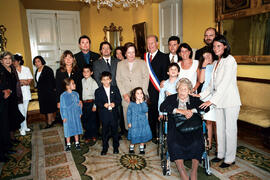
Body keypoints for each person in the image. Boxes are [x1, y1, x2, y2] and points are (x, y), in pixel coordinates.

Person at [199, 35, 241, 168]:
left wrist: (211, 101)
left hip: (230, 101)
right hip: (219, 101)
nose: (215, 48)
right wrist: (199, 95)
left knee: (230, 130)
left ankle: (229, 158)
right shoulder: (217, 62)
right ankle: (220, 154)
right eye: (214, 46)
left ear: (225, 46)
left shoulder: (230, 60)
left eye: (218, 46)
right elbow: (212, 85)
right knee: (220, 129)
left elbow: (224, 85)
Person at [160, 78, 209, 180]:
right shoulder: (171, 98)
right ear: (177, 89)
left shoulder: (194, 99)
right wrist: (179, 111)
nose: (183, 91)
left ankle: (194, 171)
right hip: (175, 127)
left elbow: (206, 108)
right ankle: (182, 170)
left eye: (185, 89)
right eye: (181, 89)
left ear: (189, 90)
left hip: (192, 127)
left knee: (197, 142)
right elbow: (162, 107)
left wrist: (192, 110)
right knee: (175, 143)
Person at [116, 42, 149, 130]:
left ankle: (142, 141)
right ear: (125, 53)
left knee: (141, 121)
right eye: (129, 52)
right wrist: (124, 94)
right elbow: (118, 80)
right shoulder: (120, 64)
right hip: (127, 97)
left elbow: (146, 78)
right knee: (130, 122)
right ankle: (132, 140)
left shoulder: (142, 63)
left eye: (133, 52)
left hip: (140, 97)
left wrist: (142, 94)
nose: (131, 54)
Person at [145, 35, 170, 143]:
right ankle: (152, 135)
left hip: (158, 90)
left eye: (152, 43)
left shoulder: (164, 57)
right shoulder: (144, 57)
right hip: (147, 91)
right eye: (148, 43)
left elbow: (166, 75)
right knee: (150, 114)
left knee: (158, 113)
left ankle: (160, 135)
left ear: (157, 43)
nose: (150, 45)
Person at [95, 71, 122, 155]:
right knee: (105, 132)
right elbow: (97, 101)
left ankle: (116, 147)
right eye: (104, 80)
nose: (106, 81)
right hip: (104, 114)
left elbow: (119, 99)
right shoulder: (98, 91)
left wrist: (115, 103)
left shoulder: (115, 89)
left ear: (110, 80)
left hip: (113, 114)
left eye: (107, 79)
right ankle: (105, 147)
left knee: (115, 131)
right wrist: (103, 104)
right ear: (101, 81)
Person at [198, 48, 217, 150]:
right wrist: (204, 65)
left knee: (216, 122)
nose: (207, 58)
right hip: (205, 94)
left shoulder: (216, 64)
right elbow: (201, 80)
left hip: (215, 94)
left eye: (208, 55)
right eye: (204, 57)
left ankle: (218, 145)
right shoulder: (203, 66)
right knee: (208, 120)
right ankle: (209, 144)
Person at [33, 56, 57, 128]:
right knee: (45, 107)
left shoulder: (47, 69)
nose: (37, 63)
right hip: (41, 92)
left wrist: (49, 92)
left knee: (48, 107)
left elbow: (51, 82)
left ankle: (49, 123)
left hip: (48, 92)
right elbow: (38, 82)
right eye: (35, 62)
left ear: (42, 61)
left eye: (38, 61)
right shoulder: (37, 70)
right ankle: (52, 120)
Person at [127, 87, 152, 154]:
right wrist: (129, 122)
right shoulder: (131, 104)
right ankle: (131, 147)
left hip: (142, 123)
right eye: (137, 93)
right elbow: (128, 114)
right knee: (134, 135)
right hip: (134, 123)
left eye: (141, 93)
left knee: (142, 136)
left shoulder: (144, 103)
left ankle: (141, 148)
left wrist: (142, 103)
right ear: (134, 95)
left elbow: (145, 110)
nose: (140, 95)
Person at [60, 78, 83, 151]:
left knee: (76, 128)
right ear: (67, 86)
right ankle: (68, 144)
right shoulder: (63, 95)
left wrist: (80, 112)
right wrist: (63, 117)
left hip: (76, 114)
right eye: (73, 83)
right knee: (68, 129)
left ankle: (77, 142)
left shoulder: (76, 94)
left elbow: (79, 104)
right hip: (68, 115)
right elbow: (62, 107)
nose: (75, 85)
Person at [13, 54, 33, 136]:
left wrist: (22, 81)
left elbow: (29, 80)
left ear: (19, 61)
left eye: (15, 61)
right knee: (21, 111)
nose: (13, 62)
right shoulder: (12, 70)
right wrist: (22, 81)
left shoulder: (26, 69)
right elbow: (14, 82)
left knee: (25, 111)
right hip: (18, 93)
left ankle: (24, 127)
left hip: (26, 92)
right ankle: (22, 128)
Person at [81, 64, 99, 143]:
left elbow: (97, 95)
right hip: (84, 104)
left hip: (91, 103)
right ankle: (87, 135)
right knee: (85, 120)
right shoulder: (82, 81)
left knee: (92, 120)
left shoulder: (93, 82)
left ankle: (93, 135)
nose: (85, 73)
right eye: (84, 72)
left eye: (87, 72)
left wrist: (95, 105)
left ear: (91, 73)